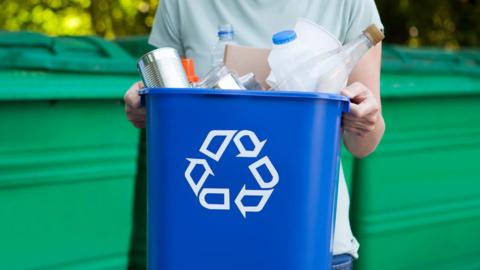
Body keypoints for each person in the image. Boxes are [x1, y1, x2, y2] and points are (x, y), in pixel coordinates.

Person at [124, 0, 385, 269]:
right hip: (196, 244)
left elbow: (364, 143)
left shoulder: (348, 3)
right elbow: (165, 97)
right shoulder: (182, 4)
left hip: (308, 242)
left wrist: (364, 120)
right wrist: (145, 103)